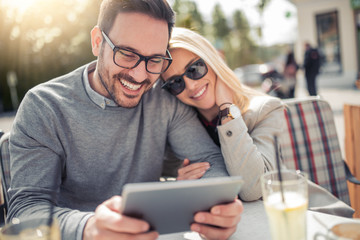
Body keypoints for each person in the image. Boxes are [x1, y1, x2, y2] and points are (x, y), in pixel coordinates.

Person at [7, 1, 243, 239]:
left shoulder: (165, 96)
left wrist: (215, 209)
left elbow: (210, 162)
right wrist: (89, 228)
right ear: (98, 42)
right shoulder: (44, 106)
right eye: (127, 54)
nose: (140, 75)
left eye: (155, 60)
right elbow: (25, 210)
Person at [161, 27, 285, 202]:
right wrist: (180, 178)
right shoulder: (179, 123)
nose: (190, 85)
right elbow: (165, 175)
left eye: (194, 69)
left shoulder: (265, 110)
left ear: (212, 61)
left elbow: (255, 188)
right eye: (175, 83)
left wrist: (227, 110)